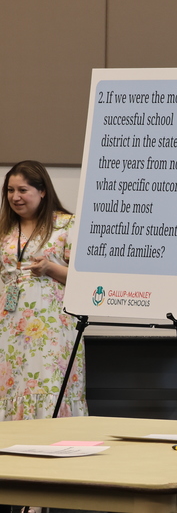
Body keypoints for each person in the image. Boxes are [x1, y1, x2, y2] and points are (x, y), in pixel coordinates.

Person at [0, 161, 86, 421]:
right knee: (11, 387)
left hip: (52, 329)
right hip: (8, 326)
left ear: (43, 191)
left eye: (23, 190)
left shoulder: (67, 226)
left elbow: (87, 281)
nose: (15, 197)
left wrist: (50, 268)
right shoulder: (5, 229)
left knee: (48, 385)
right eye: (10, 190)